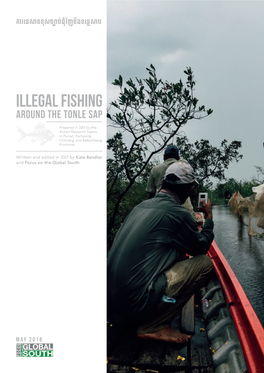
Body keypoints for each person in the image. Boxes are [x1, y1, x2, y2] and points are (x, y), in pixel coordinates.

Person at [107, 161, 214, 343]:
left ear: (163, 181)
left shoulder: (139, 207)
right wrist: (209, 217)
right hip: (135, 304)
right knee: (204, 264)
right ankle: (154, 325)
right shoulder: (179, 213)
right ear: (189, 190)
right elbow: (201, 247)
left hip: (112, 301)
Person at [146, 145, 202, 223]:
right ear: (178, 158)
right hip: (186, 211)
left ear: (164, 157)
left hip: (161, 211)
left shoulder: (154, 170)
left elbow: (151, 195)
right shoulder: (184, 164)